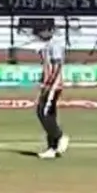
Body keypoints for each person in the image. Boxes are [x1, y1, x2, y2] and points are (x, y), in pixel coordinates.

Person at [34, 23, 70, 159]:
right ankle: (52, 147)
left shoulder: (55, 45)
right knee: (48, 114)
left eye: (41, 31)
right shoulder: (48, 45)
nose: (38, 35)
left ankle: (59, 136)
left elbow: (57, 66)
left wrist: (50, 83)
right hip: (47, 84)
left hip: (53, 85)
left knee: (43, 112)